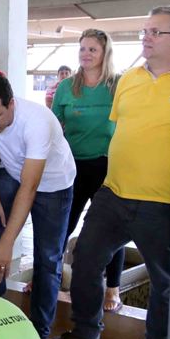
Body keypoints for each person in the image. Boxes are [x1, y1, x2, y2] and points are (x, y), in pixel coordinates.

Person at [47, 6, 170, 339]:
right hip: (114, 192)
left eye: (156, 32)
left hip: (161, 200)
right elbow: (122, 132)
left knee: (165, 281)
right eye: (145, 30)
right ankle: (86, 332)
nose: (146, 37)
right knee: (87, 259)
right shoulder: (130, 80)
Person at [0, 73, 76, 339]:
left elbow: (29, 188)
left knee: (47, 258)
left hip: (53, 184)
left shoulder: (37, 122)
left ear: (12, 104)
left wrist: (8, 244)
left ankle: (38, 332)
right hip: (13, 173)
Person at [51, 29, 124, 312]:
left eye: (92, 49)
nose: (85, 54)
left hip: (108, 165)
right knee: (64, 224)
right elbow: (54, 125)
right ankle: (51, 276)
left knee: (111, 229)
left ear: (105, 53)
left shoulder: (118, 85)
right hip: (73, 165)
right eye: (82, 48)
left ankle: (112, 288)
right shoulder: (67, 87)